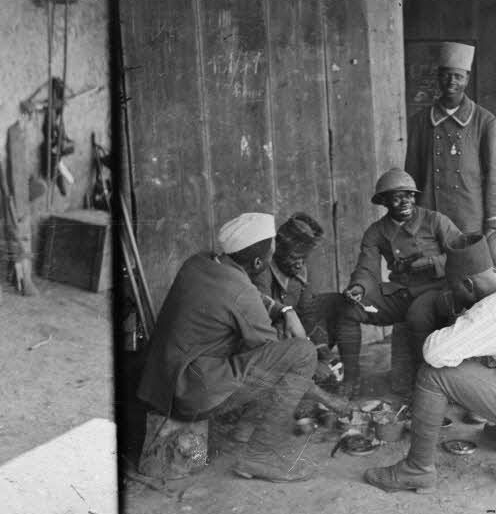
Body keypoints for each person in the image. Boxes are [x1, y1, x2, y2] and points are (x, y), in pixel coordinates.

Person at [363, 234, 496, 493]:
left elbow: (433, 352)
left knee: (434, 374)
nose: (452, 293)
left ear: (468, 283)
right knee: (491, 363)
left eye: (454, 288)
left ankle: (417, 470)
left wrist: (460, 319)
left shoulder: (490, 311)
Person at [137, 213, 318, 483]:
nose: (272, 257)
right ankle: (261, 457)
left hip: (163, 383)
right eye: (271, 252)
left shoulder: (200, 262)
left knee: (257, 348)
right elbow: (272, 357)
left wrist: (286, 309)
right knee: (301, 355)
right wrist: (320, 391)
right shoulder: (240, 293)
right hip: (188, 394)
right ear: (258, 263)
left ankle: (243, 429)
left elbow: (249, 295)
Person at [337, 168, 463, 399]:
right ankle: (351, 379)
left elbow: (462, 255)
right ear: (384, 201)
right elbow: (367, 267)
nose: (405, 201)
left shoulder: (435, 221)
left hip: (436, 290)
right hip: (401, 292)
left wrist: (429, 263)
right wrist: (359, 287)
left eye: (410, 195)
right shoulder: (376, 232)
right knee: (349, 309)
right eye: (397, 196)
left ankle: (424, 385)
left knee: (417, 316)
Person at [405, 42, 496, 237]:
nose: (452, 81)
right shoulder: (420, 121)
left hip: (468, 218)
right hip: (429, 215)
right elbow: (411, 174)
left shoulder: (484, 120)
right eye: (446, 75)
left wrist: (492, 222)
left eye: (458, 76)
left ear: (467, 79)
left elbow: (493, 176)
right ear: (438, 77)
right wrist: (408, 217)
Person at [254, 212, 347, 379]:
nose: (299, 264)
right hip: (269, 338)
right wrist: (309, 360)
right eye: (294, 258)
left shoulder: (300, 269)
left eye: (303, 258)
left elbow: (307, 312)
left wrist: (324, 353)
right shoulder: (264, 271)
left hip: (293, 332)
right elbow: (262, 322)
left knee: (337, 302)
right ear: (278, 252)